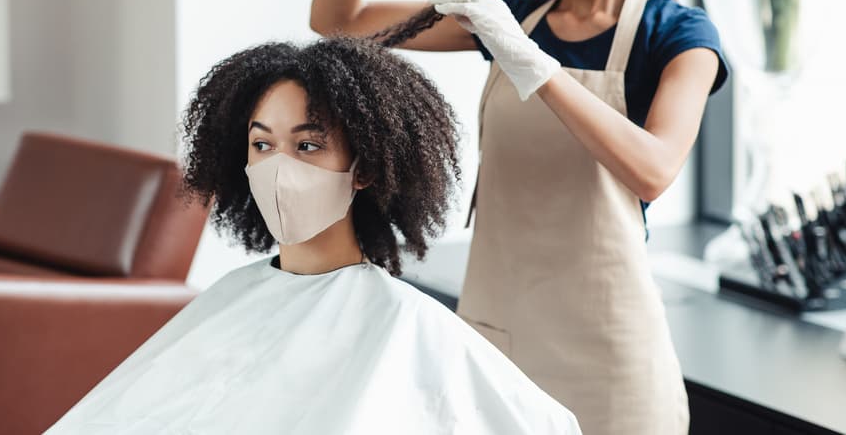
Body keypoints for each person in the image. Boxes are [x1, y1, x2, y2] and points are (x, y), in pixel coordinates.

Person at [310, 0, 730, 435]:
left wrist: (533, 64)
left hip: (610, 357)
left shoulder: (679, 34)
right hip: (496, 334)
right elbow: (340, 22)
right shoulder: (508, 17)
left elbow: (653, 169)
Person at [44, 38, 581, 434]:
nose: (279, 168)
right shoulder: (234, 294)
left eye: (307, 146)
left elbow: (543, 424)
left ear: (366, 167)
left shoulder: (403, 323)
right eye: (262, 145)